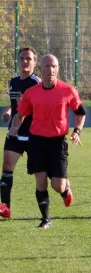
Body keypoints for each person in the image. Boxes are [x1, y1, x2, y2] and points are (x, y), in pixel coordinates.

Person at [9, 54, 86, 229]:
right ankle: (45, 219)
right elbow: (20, 115)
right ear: (40, 69)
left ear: (58, 69)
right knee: (41, 180)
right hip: (36, 142)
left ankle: (65, 188)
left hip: (58, 143)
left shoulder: (67, 90)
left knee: (57, 185)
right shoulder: (31, 93)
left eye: (53, 66)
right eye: (46, 66)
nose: (50, 70)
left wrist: (77, 131)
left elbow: (80, 112)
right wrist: (15, 127)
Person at [0, 47, 41, 219]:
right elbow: (16, 104)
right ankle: (5, 208)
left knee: (41, 174)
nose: (25, 61)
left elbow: (41, 108)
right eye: (22, 58)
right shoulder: (14, 81)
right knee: (7, 167)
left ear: (34, 62)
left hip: (34, 133)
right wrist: (9, 111)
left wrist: (25, 111)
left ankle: (46, 212)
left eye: (28, 59)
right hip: (15, 130)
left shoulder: (37, 83)